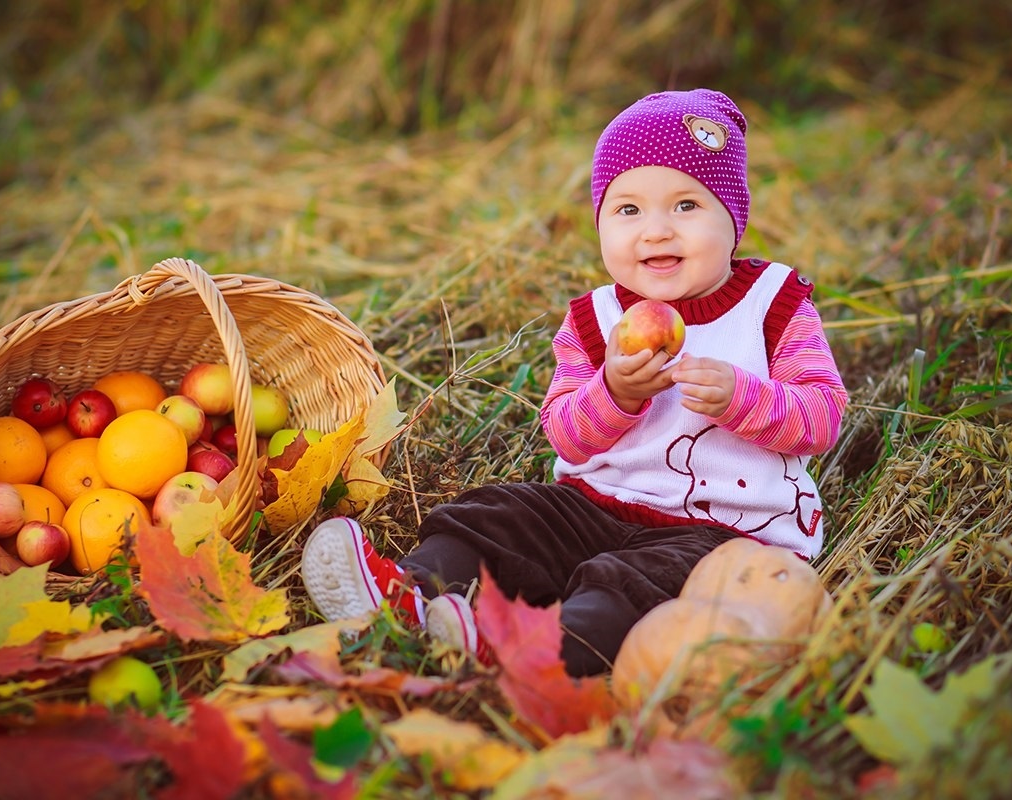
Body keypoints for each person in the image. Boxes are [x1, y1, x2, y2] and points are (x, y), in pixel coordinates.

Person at [301, 88, 848, 676]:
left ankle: (535, 655)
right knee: (499, 512)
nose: (656, 231)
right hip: (592, 507)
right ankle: (409, 594)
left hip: (717, 533)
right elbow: (565, 433)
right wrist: (616, 393)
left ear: (733, 216)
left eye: (687, 206)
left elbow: (822, 416)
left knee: (628, 586)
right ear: (601, 224)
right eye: (628, 210)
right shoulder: (597, 320)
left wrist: (744, 397)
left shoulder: (773, 305)